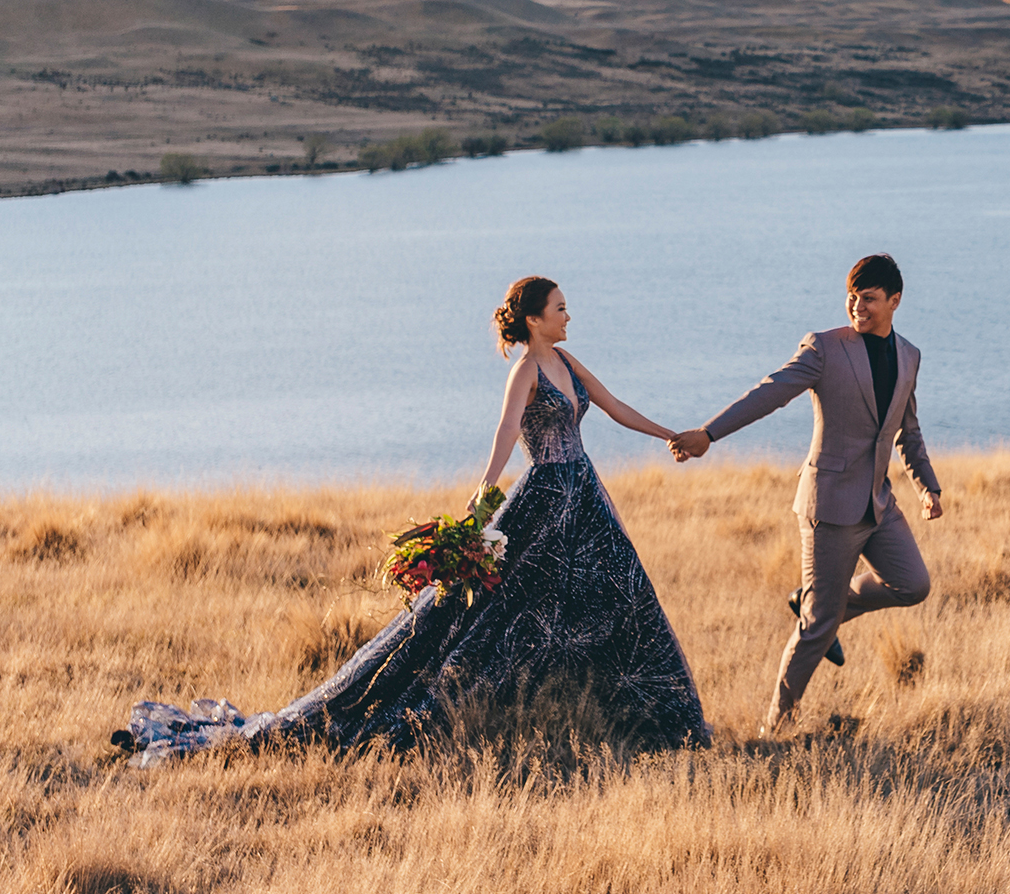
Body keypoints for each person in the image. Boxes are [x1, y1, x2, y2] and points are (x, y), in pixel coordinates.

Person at [118, 275, 709, 762]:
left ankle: (649, 723)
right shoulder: (525, 371)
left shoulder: (569, 363)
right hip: (545, 498)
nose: (568, 317)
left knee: (621, 600)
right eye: (559, 309)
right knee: (498, 616)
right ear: (533, 319)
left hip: (585, 498)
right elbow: (506, 434)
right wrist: (483, 503)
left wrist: (670, 434)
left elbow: (614, 406)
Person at [672, 252, 942, 737]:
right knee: (818, 627)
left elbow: (907, 429)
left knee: (913, 585)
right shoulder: (824, 348)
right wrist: (709, 435)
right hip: (829, 505)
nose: (857, 306)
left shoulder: (909, 356)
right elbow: (770, 393)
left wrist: (927, 487)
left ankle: (818, 601)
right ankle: (776, 726)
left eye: (869, 299)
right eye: (852, 297)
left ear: (895, 301)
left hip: (878, 503)